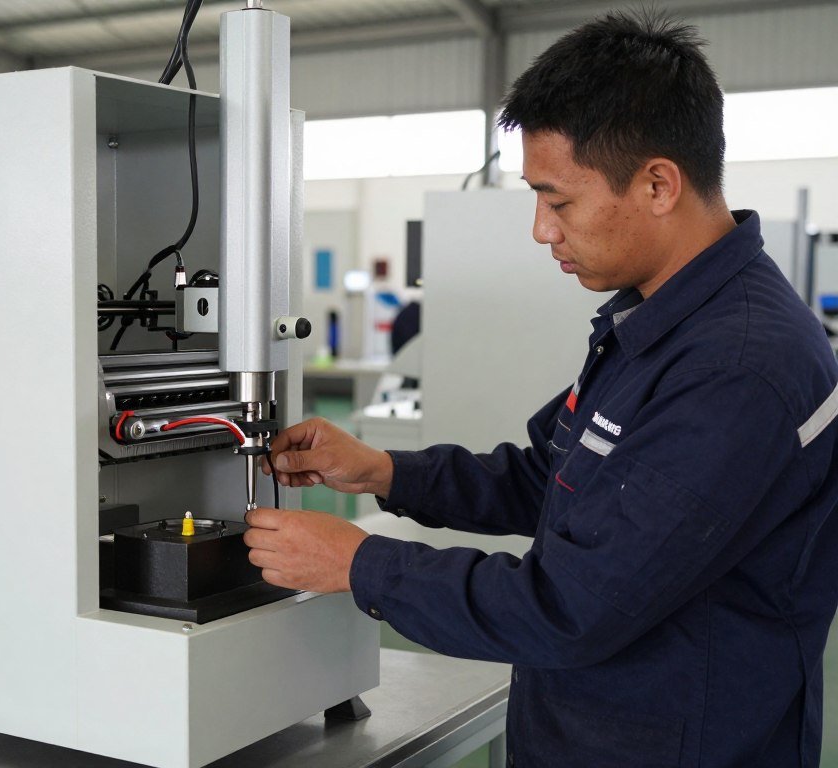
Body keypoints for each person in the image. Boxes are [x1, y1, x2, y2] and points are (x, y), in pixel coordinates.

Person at [244, 10, 838, 768]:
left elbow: (570, 608)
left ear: (659, 183)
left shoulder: (737, 367)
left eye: (558, 201)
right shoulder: (660, 323)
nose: (540, 231)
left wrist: (359, 564)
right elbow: (547, 478)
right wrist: (383, 471)